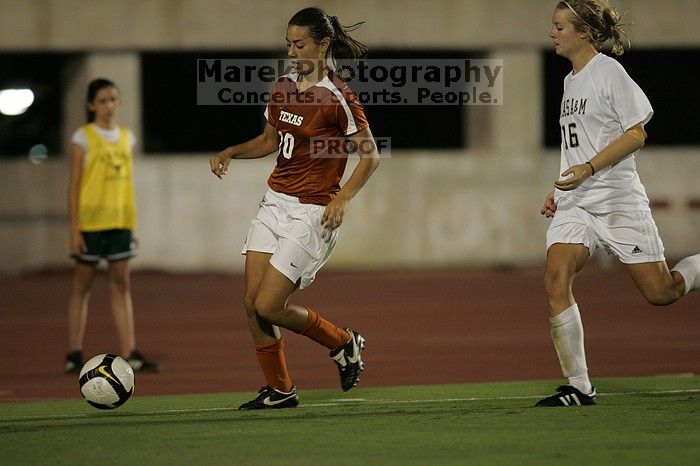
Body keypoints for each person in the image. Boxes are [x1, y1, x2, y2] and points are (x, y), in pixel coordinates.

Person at [209, 7, 379, 410]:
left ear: (323, 45)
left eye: (299, 44)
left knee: (270, 305)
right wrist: (232, 150)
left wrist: (343, 197)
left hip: (311, 213)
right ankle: (281, 390)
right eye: (288, 43)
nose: (292, 51)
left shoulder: (339, 96)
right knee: (251, 303)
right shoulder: (283, 85)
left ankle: (342, 341)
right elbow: (270, 140)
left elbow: (370, 156)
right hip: (274, 204)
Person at [538, 0, 700, 407]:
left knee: (662, 292)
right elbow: (575, 146)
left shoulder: (608, 72)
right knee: (556, 278)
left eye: (560, 26)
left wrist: (590, 168)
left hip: (617, 199)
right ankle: (579, 387)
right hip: (578, 201)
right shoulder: (569, 81)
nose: (552, 33)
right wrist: (559, 190)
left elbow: (637, 133)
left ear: (584, 33)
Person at [64, 78, 159, 374]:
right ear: (92, 105)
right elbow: (75, 185)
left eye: (113, 99)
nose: (109, 106)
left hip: (120, 222)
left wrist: (133, 227)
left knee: (121, 286)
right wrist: (74, 229)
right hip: (91, 224)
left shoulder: (126, 137)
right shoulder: (83, 137)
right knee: (82, 287)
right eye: (103, 100)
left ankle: (130, 352)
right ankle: (74, 353)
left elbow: (128, 184)